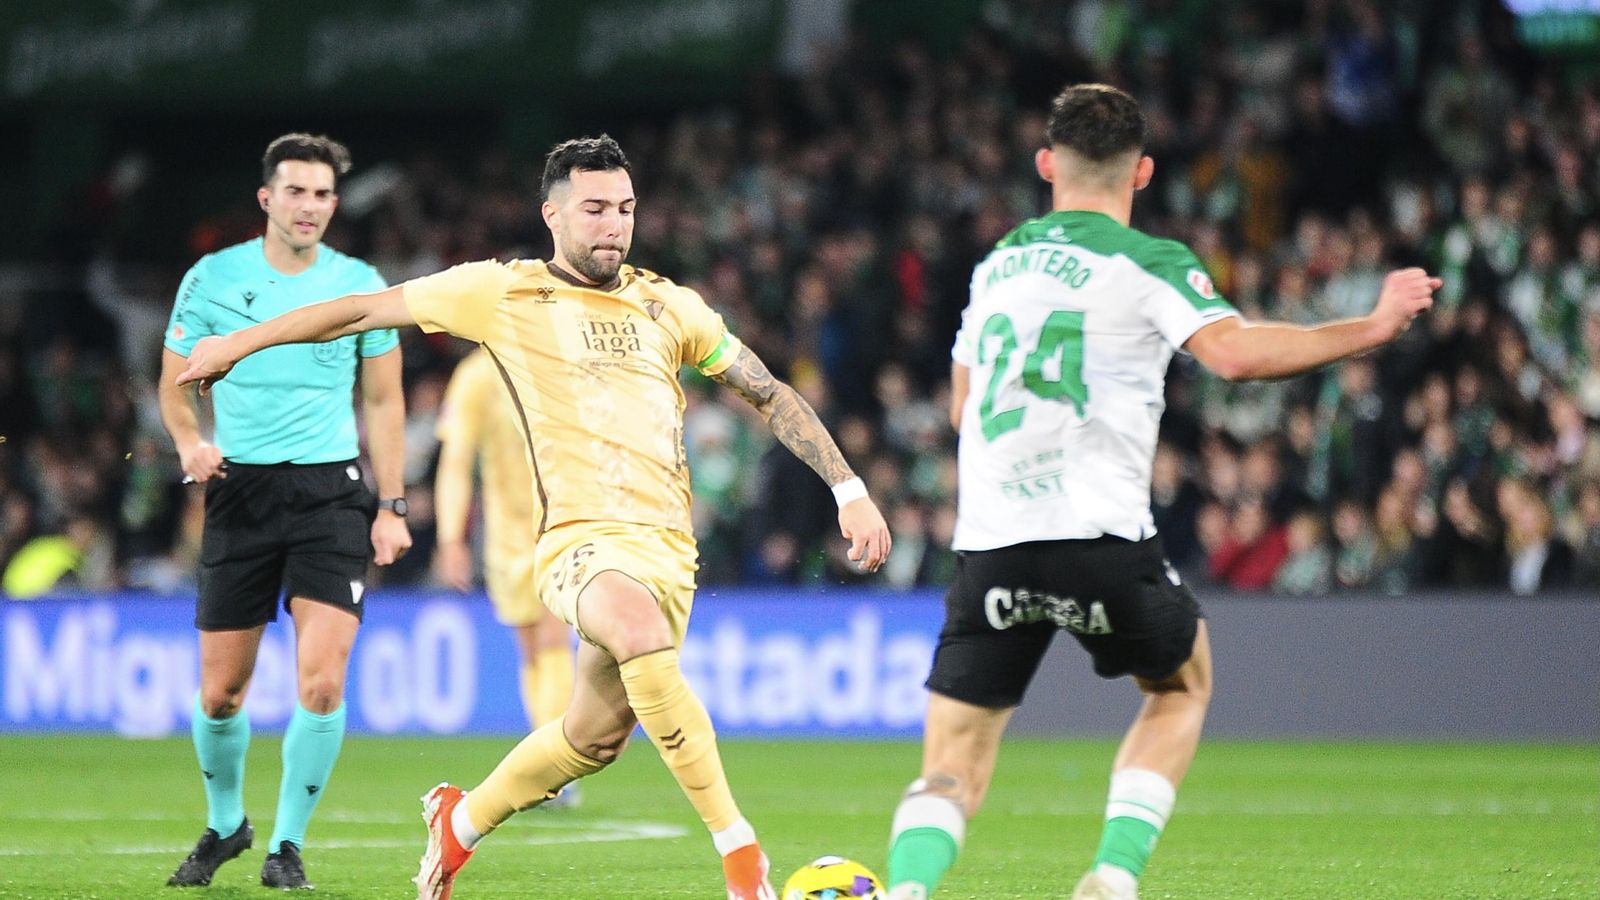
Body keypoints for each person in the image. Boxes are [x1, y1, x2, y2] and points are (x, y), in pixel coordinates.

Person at [175, 134, 892, 900]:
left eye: (624, 208)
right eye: (594, 209)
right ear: (552, 214)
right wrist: (241, 343)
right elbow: (359, 310)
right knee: (640, 633)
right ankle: (741, 859)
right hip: (577, 544)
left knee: (593, 738)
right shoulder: (501, 291)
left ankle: (458, 824)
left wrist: (848, 488)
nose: (613, 224)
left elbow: (769, 391)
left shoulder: (668, 303)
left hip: (668, 552)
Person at [882, 84, 1439, 900]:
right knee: (1181, 687)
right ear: (1141, 173)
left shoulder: (996, 266)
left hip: (991, 542)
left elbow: (964, 408)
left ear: (1047, 164)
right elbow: (1236, 355)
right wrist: (1372, 325)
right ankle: (1111, 877)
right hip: (1101, 536)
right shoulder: (1149, 263)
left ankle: (904, 892)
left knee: (953, 762)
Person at [158, 133, 412, 890]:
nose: (310, 207)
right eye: (296, 192)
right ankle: (227, 824)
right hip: (239, 489)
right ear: (267, 198)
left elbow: (385, 399)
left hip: (331, 494)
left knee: (323, 684)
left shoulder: (360, 282)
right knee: (220, 694)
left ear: (337, 204)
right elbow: (173, 382)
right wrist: (187, 444)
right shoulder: (212, 277)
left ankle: (287, 846)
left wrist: (391, 505)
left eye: (324, 194)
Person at [433, 348, 577, 780]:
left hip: (563, 524)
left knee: (554, 636)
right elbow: (456, 462)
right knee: (532, 647)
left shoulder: (557, 357)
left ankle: (553, 766)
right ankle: (547, 752)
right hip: (505, 539)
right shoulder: (476, 376)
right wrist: (450, 536)